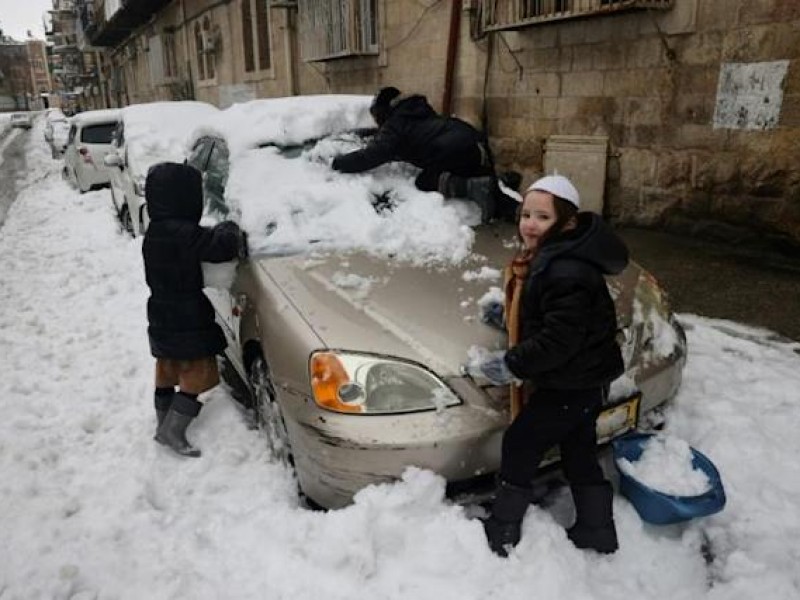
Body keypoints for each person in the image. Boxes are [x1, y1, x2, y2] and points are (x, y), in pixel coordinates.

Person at [467, 174, 629, 556]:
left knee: (521, 441)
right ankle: (597, 529)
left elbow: (559, 340)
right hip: (587, 380)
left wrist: (512, 364)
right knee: (579, 450)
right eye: (526, 214)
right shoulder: (558, 257)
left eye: (542, 217)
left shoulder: (567, 269)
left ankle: (503, 528)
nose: (530, 224)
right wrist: (513, 314)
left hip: (570, 382)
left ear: (567, 222)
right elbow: (552, 313)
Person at [143, 162, 247, 458]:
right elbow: (220, 246)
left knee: (166, 365)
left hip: (160, 308)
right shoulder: (185, 232)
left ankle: (163, 421)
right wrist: (229, 226)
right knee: (195, 369)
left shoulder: (157, 230)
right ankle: (173, 431)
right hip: (186, 312)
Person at [331, 86, 506, 222]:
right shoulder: (415, 113)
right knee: (499, 200)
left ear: (384, 111)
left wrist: (339, 163)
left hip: (454, 148)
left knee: (426, 181)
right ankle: (511, 206)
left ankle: (474, 187)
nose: (378, 123)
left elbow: (375, 154)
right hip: (474, 142)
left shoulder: (396, 123)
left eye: (377, 117)